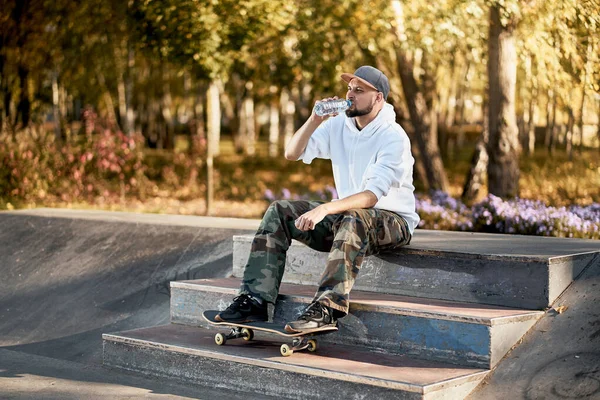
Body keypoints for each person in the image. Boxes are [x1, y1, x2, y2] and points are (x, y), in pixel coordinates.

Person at [216, 65, 420, 333]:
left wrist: (325, 208)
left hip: (392, 222)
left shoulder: (393, 137)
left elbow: (371, 196)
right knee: (280, 210)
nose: (351, 94)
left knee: (353, 216)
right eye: (349, 88)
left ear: (379, 98)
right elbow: (292, 153)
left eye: (359, 91)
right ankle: (254, 300)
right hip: (350, 219)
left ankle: (327, 308)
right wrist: (314, 120)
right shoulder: (338, 124)